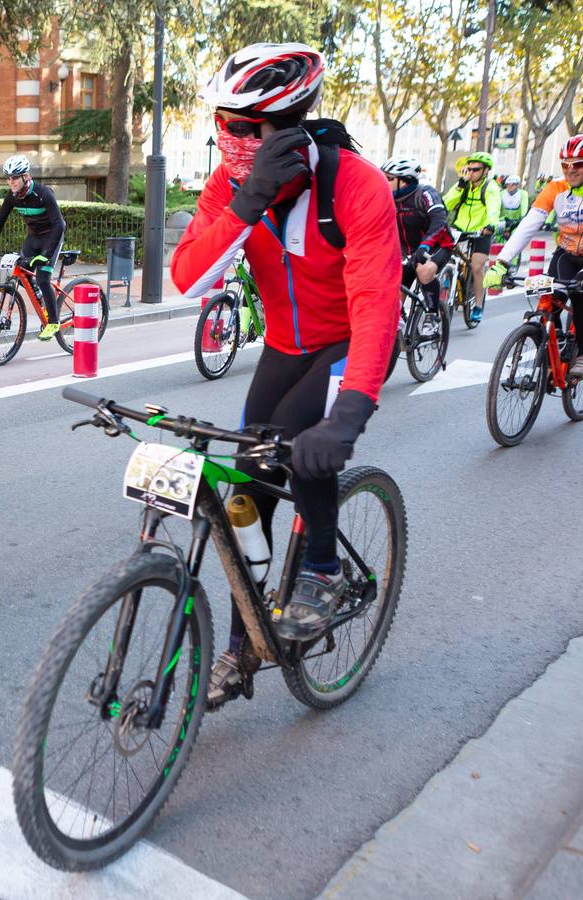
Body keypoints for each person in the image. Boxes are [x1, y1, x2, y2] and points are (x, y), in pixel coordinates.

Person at [170, 42, 397, 704]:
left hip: (343, 345)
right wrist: (250, 200)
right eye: (222, 122)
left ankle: (322, 571)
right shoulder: (230, 186)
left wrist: (350, 413)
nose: (229, 138)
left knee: (301, 449)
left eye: (244, 126)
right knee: (244, 494)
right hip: (282, 346)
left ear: (289, 123)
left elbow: (376, 305)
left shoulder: (355, 185)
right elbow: (188, 279)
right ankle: (245, 644)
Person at [486, 134, 583, 380]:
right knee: (549, 295)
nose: (571, 170)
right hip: (568, 252)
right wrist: (501, 262)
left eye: (578, 164)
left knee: (579, 295)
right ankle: (557, 342)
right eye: (565, 165)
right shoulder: (556, 187)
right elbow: (530, 223)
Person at [0, 155, 67, 340]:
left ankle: (53, 322)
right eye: (8, 178)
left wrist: (46, 255)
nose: (10, 182)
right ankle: (40, 296)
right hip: (34, 237)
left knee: (43, 277)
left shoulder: (43, 193)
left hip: (52, 235)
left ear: (25, 176)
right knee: (22, 271)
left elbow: (59, 225)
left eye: (14, 177)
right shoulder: (13, 196)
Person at [382, 156, 450, 313]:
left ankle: (432, 316)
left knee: (424, 272)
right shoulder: (387, 198)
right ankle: (398, 327)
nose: (384, 181)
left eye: (389, 178)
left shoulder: (425, 194)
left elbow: (439, 221)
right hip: (406, 251)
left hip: (436, 246)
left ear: (404, 181)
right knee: (392, 297)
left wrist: (425, 245)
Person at [442, 151, 498, 323]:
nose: (471, 172)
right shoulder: (463, 185)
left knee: (476, 266)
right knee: (443, 258)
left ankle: (478, 305)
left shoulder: (491, 187)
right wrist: (459, 186)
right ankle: (447, 284)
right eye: (469, 169)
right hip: (460, 229)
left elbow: (494, 208)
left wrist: (490, 225)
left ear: (485, 170)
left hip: (481, 231)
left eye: (476, 169)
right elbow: (445, 204)